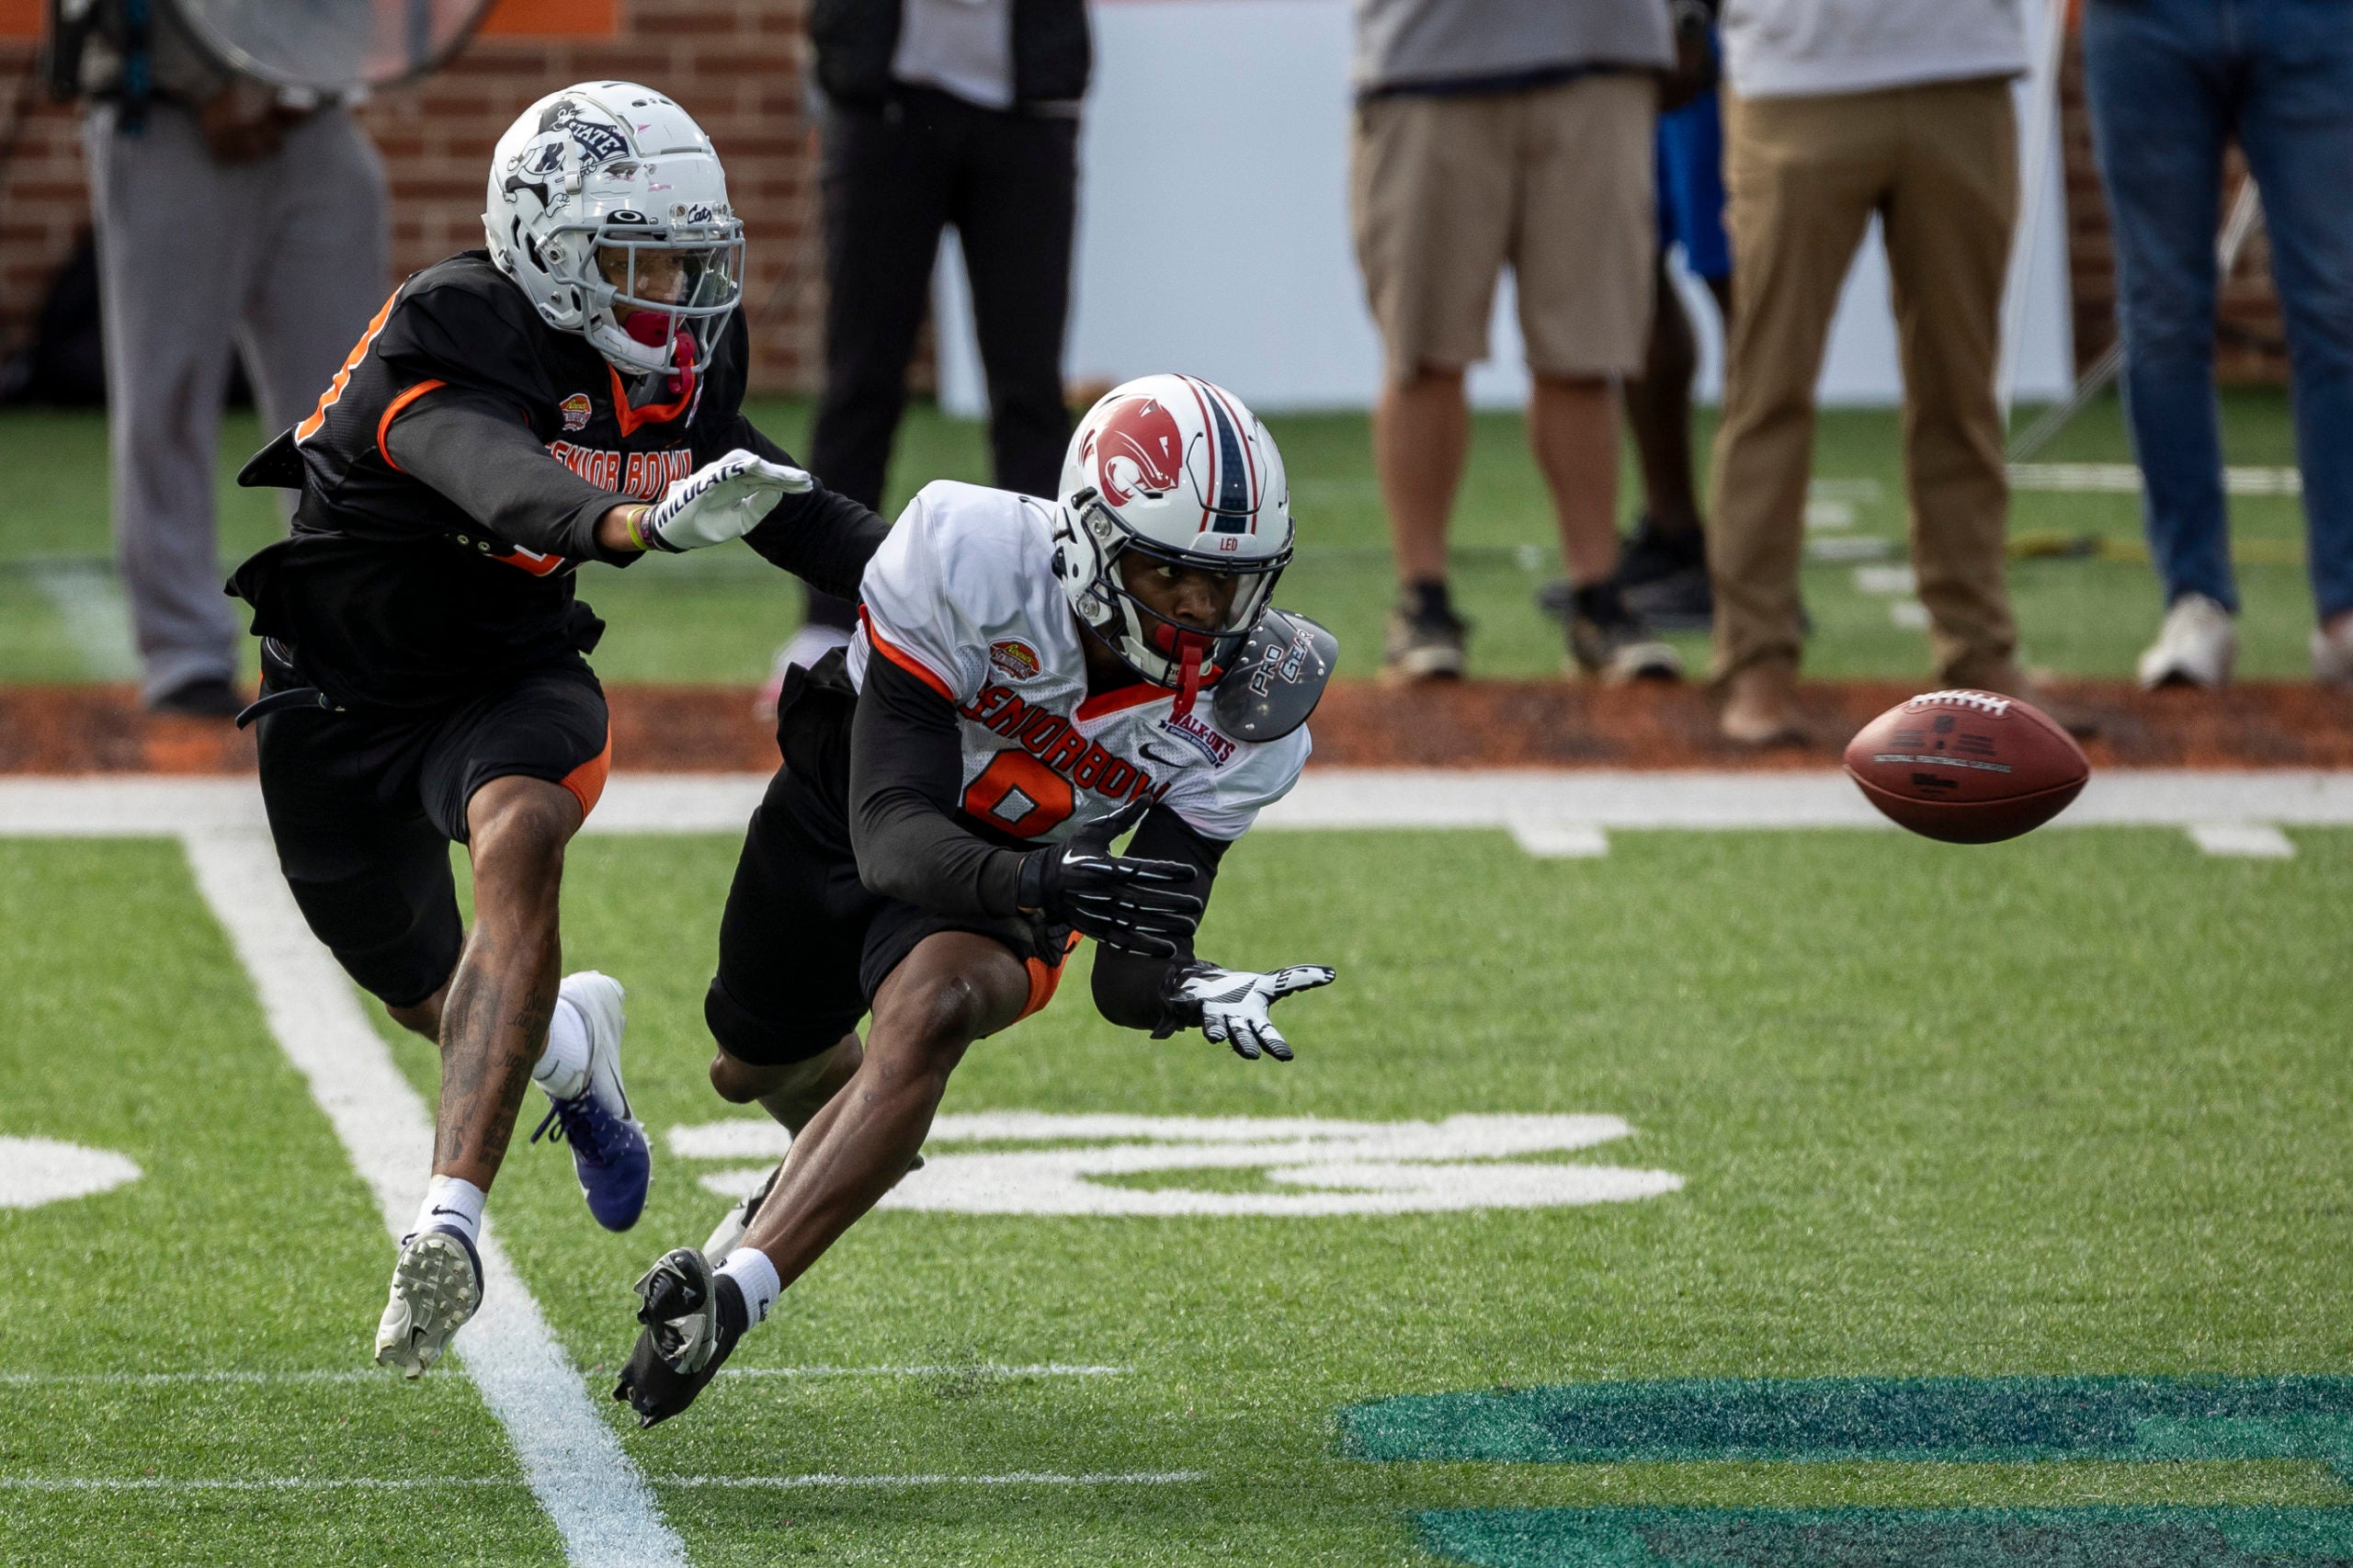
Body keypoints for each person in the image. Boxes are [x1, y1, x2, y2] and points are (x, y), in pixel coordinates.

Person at [227, 83, 890, 1378]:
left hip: (509, 673)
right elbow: (501, 475)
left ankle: (449, 1223)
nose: (675, 294)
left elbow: (763, 489)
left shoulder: (682, 359)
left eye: (690, 258)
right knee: (439, 997)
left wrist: (941, 570)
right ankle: (578, 1054)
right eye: (639, 259)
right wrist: (629, 523)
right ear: (543, 241)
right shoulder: (453, 325)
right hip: (337, 700)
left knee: (522, 831)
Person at [610, 376, 1337, 1427]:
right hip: (856, 805)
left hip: (1020, 885)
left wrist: (1178, 983)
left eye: (1226, 585)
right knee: (747, 1065)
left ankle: (736, 1291)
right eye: (1168, 574)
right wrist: (1048, 879)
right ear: (1090, 542)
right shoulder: (969, 555)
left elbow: (1128, 977)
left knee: (936, 1007)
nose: (1198, 614)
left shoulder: (1252, 710)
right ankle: (858, 1135)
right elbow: (894, 834)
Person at [1707, 0, 2053, 744]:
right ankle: (1755, 660)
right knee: (1769, 389)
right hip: (1792, 70)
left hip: (1961, 65)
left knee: (1961, 390)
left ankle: (1981, 653)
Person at [761, 0, 1091, 710]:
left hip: (1028, 108)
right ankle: (824, 623)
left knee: (1029, 388)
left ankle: (1044, 631)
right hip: (883, 101)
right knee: (861, 380)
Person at [63, 0, 389, 715]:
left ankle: (342, 637)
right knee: (168, 388)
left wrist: (306, 79)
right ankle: (185, 656)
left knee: (351, 399)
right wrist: (212, 83)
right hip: (169, 108)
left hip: (314, 114)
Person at [1356, 0, 1680, 686]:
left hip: (1599, 50)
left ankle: (1598, 599)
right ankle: (1423, 601)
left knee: (1586, 355)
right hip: (1428, 55)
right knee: (1423, 353)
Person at [2082, 0, 2353, 690]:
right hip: (2144, 18)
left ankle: (2345, 610)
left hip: (2314, 17)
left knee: (2337, 306)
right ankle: (2194, 601)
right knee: (2162, 314)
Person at [1620, 0, 1733, 631]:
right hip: (1635, 38)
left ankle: (1748, 566)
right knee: (1633, 268)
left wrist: (1691, 18)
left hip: (1717, 41)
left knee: (1738, 287)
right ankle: (1675, 537)